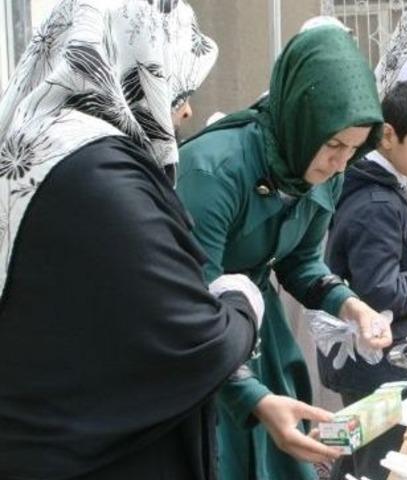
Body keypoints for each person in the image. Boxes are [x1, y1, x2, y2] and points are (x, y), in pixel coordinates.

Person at [0, 1, 265, 479]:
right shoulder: (97, 170)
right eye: (179, 86)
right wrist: (242, 301)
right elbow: (196, 342)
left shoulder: (37, 144)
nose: (185, 109)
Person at [176, 26, 391, 480]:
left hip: (259, 331)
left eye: (354, 150)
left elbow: (301, 264)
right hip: (198, 344)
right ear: (301, 119)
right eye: (333, 145)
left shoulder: (324, 170)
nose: (340, 164)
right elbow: (189, 304)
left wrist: (351, 306)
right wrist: (250, 397)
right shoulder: (215, 170)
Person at [321, 80, 407, 480]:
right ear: (387, 135)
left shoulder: (386, 185)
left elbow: (382, 263)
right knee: (379, 462)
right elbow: (380, 291)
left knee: (352, 448)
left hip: (377, 357)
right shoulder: (377, 201)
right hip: (378, 361)